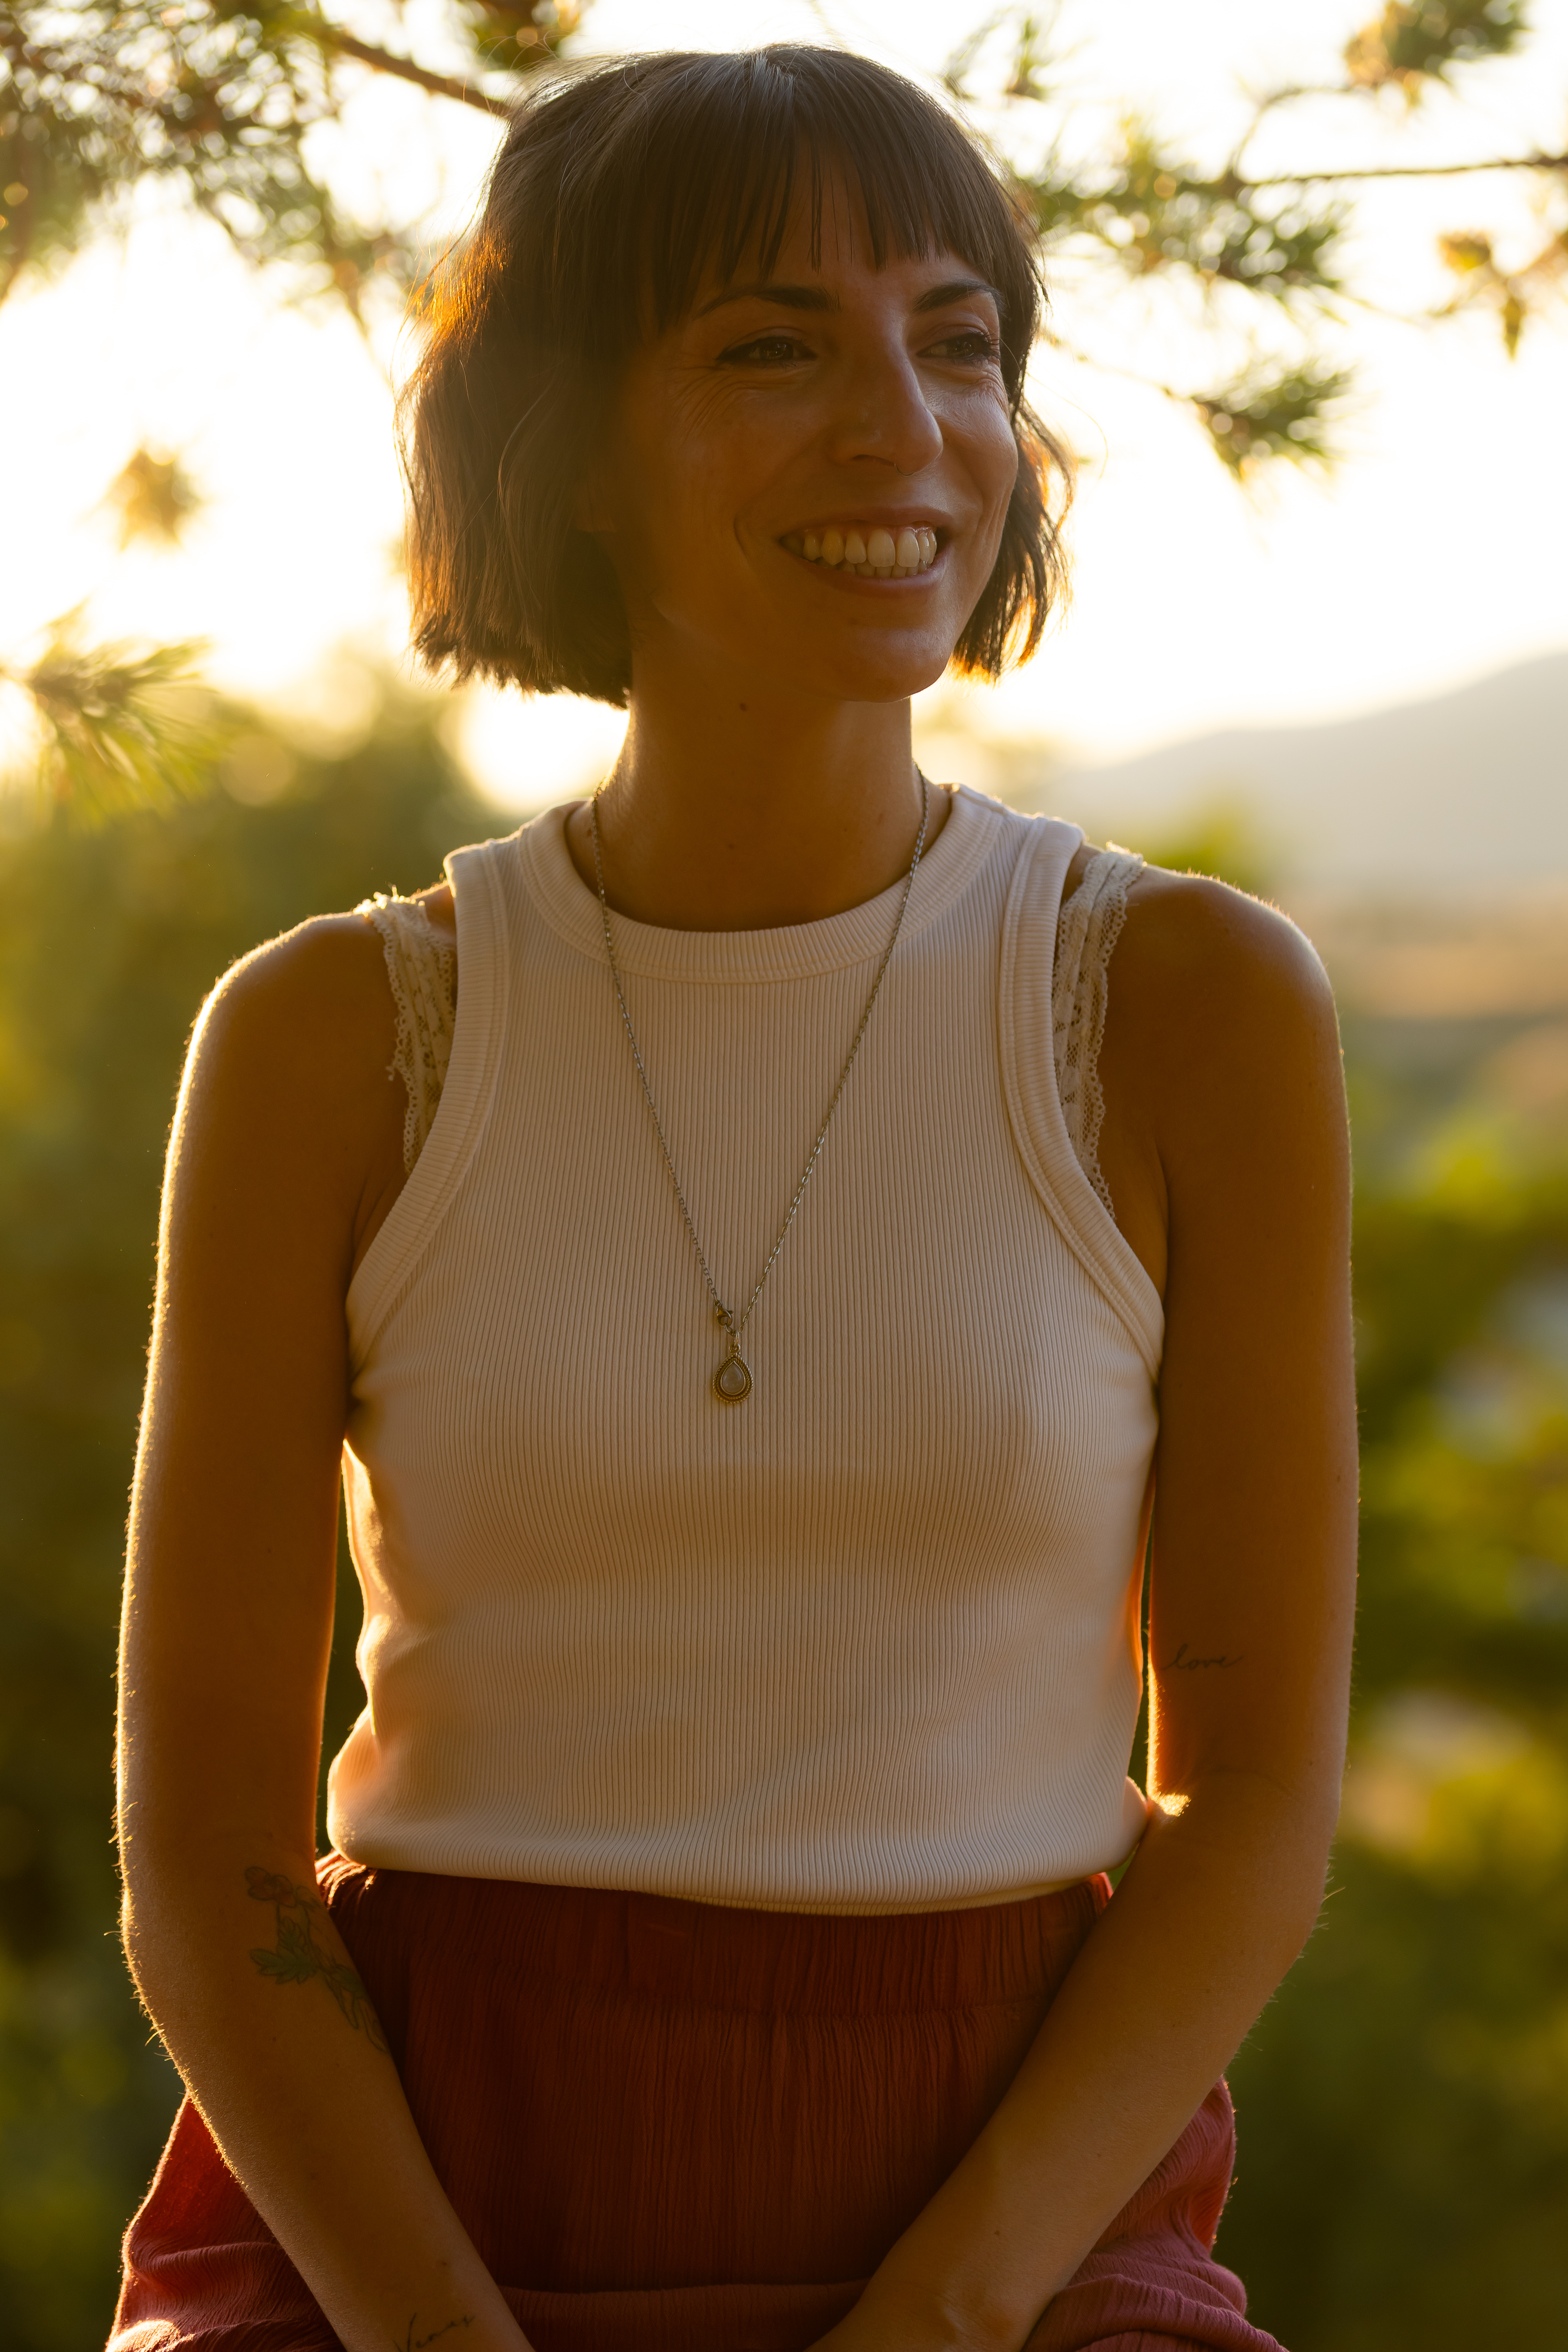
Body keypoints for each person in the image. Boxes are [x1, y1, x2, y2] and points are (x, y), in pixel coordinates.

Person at [111, 44, 1356, 2352]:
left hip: (1020, 2212)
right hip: (408, 2189)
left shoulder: (1185, 1005)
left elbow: (1256, 1789)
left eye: (957, 336)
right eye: (773, 345)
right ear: (568, 448)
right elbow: (200, 1857)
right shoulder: (326, 1042)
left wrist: (954, 2313)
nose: (905, 423)